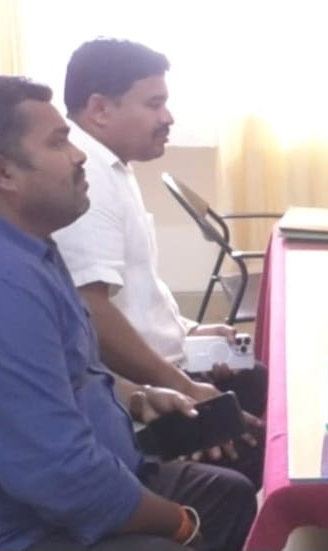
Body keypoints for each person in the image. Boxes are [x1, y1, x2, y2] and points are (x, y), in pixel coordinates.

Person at [0, 77, 256, 551]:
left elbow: (64, 369)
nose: (79, 156)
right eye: (59, 142)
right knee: (175, 537)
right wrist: (178, 524)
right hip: (3, 534)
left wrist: (138, 398)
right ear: (1, 172)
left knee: (226, 495)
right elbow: (60, 476)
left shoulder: (24, 248)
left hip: (53, 501)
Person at [52, 39, 266, 486]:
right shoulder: (88, 178)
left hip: (163, 367)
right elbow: (92, 311)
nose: (167, 117)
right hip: (138, 393)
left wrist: (191, 329)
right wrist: (184, 388)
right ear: (100, 109)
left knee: (267, 385)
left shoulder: (114, 167)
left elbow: (136, 288)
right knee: (264, 445)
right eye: (154, 104)